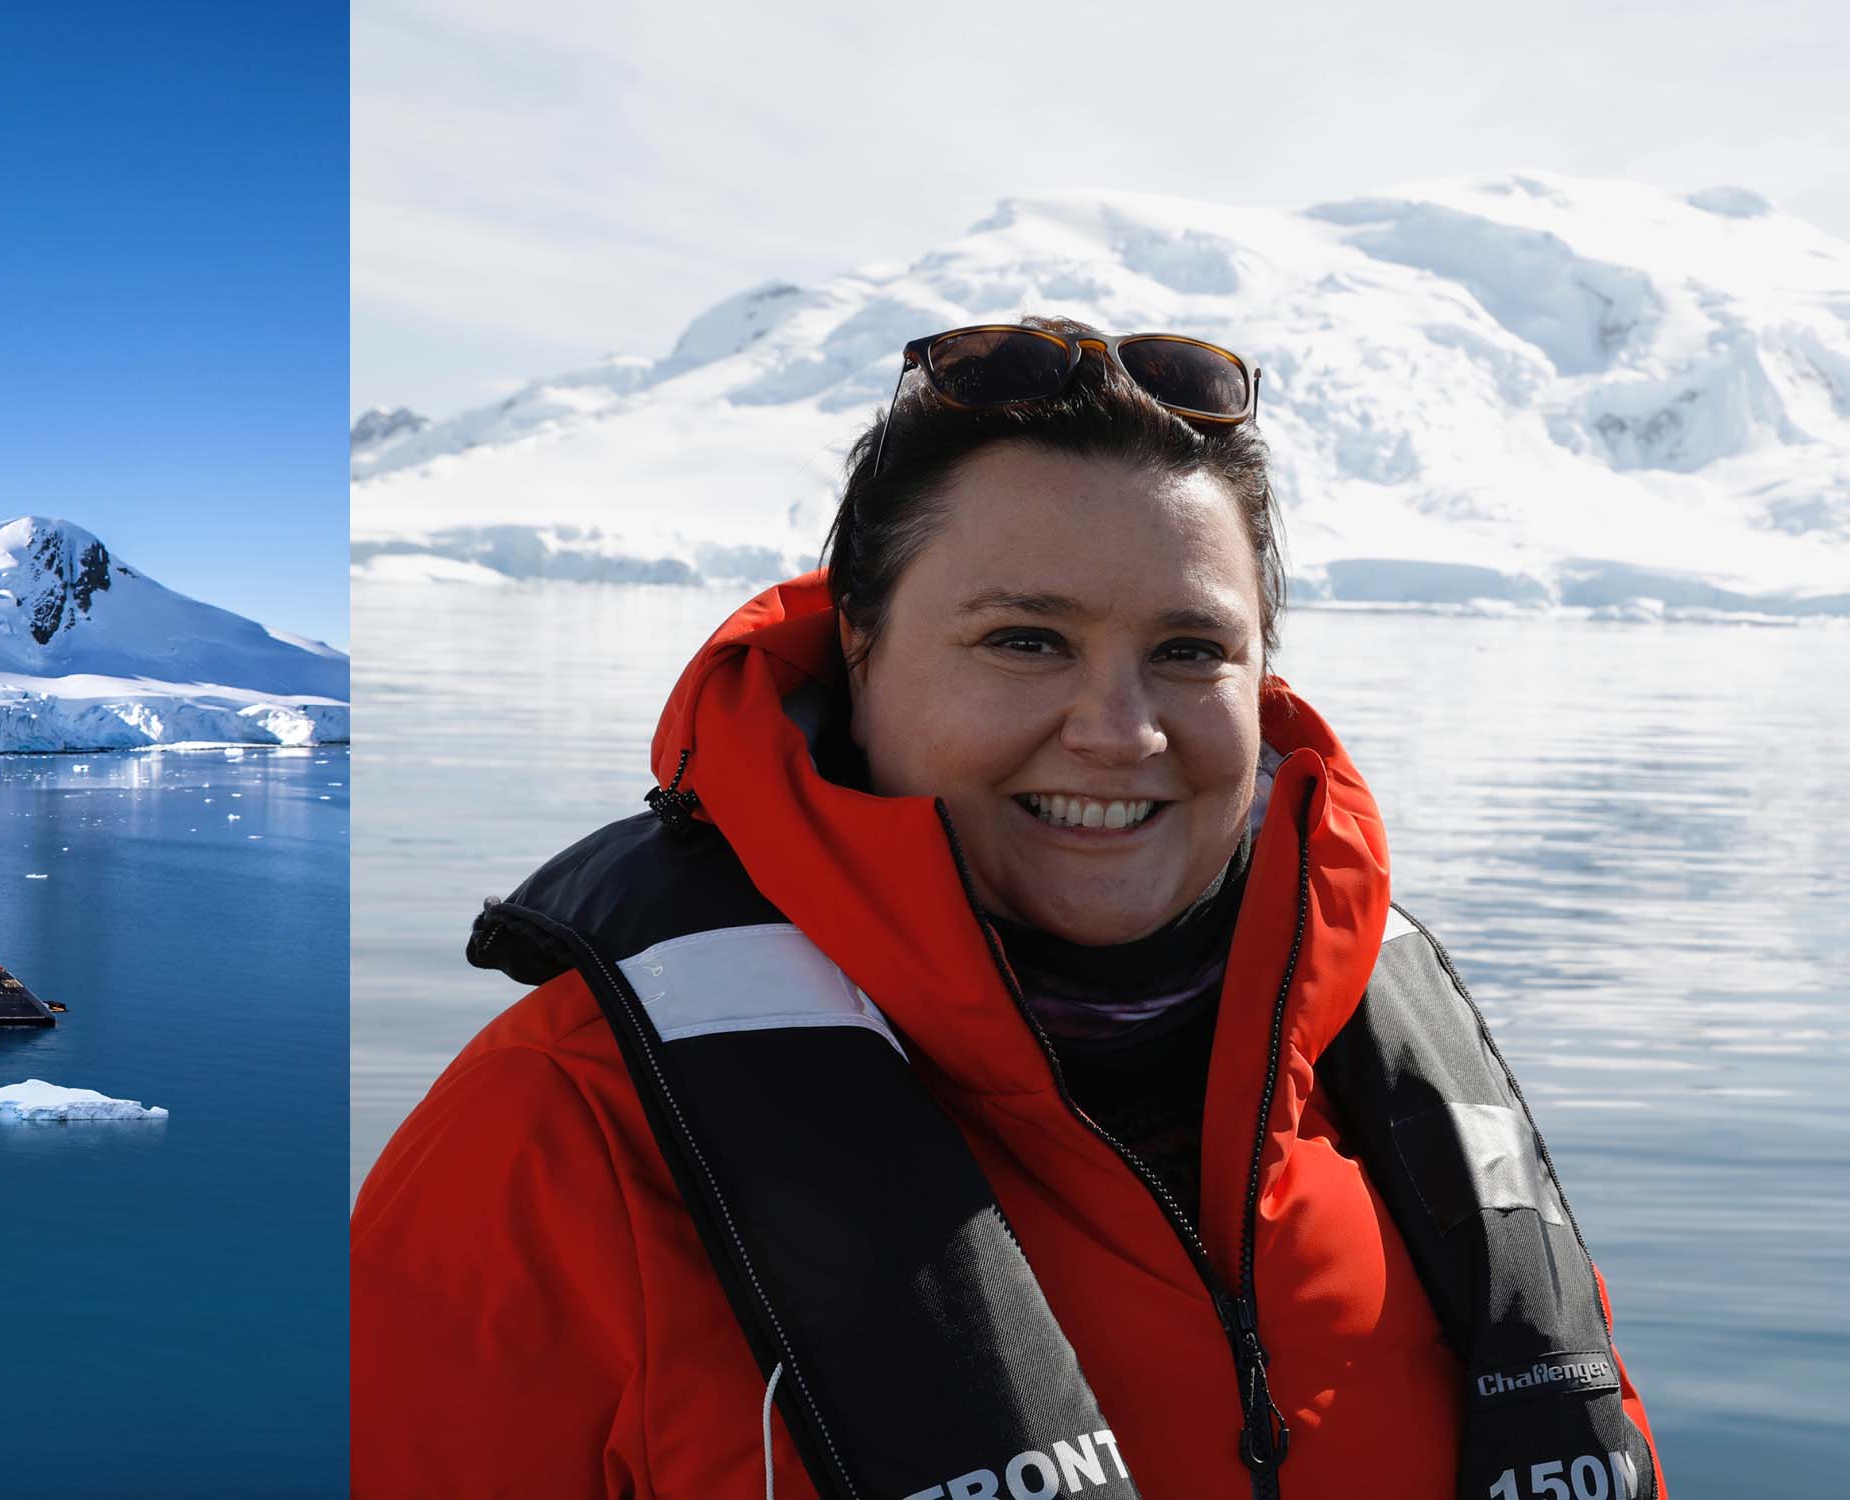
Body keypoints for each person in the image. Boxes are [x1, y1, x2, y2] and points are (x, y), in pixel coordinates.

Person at [350, 319, 1667, 1499]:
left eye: (1189, 650)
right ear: (857, 645)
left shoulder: (1395, 1083)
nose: (1119, 731)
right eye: (1025, 641)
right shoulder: (565, 1137)